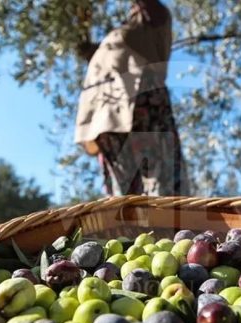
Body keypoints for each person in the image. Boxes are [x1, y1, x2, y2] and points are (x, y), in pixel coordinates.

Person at [74, 0, 189, 197]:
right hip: (106, 117)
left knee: (163, 184)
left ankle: (172, 216)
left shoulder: (154, 22)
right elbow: (83, 47)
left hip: (143, 106)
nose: (132, 9)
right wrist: (82, 15)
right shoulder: (110, 43)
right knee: (123, 195)